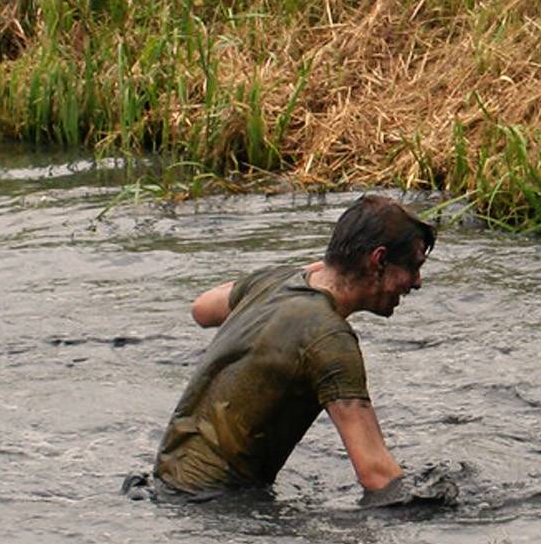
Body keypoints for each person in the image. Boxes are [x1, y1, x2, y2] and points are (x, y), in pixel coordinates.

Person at [141, 194, 452, 506]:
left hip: (164, 482)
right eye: (413, 267)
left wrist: (315, 270)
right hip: (216, 507)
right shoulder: (329, 338)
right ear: (379, 260)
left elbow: (201, 308)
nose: (417, 282)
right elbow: (376, 475)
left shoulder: (273, 282)